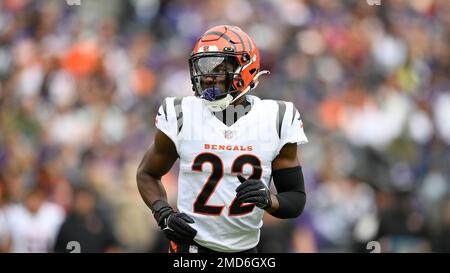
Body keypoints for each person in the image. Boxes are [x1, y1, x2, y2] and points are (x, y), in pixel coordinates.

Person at [137, 25, 308, 253]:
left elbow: (295, 198)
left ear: (246, 68)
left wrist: (269, 200)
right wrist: (163, 213)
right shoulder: (180, 113)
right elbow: (147, 174)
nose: (207, 77)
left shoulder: (277, 118)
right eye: (203, 66)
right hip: (190, 247)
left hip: (245, 251)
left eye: (219, 68)